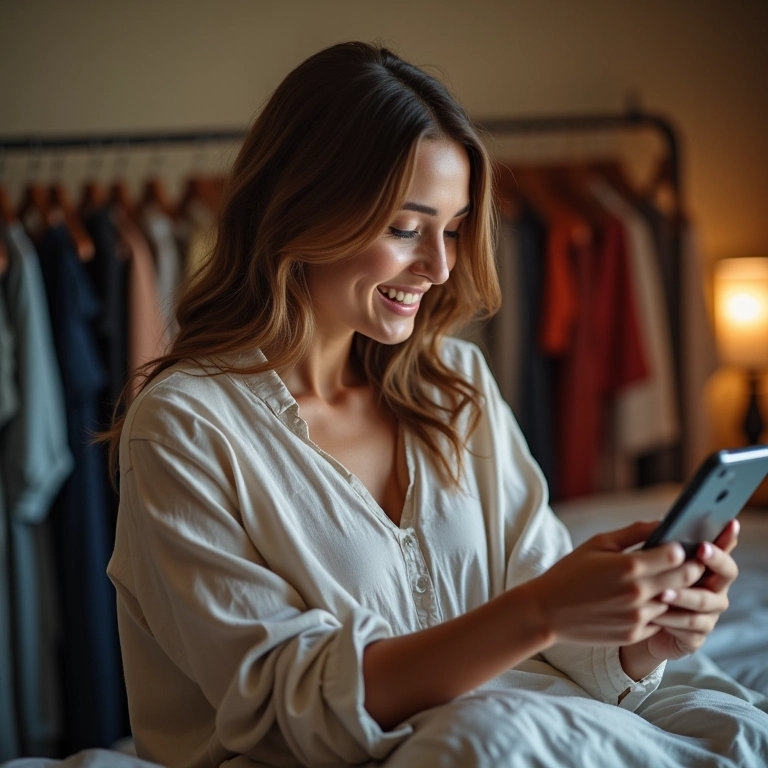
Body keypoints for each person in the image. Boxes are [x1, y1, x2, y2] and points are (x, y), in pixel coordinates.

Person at [104, 41, 768, 768]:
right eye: (404, 227)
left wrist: (641, 638)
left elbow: (544, 601)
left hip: (503, 731)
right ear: (303, 207)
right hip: (413, 748)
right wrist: (541, 610)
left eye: (452, 229)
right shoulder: (184, 428)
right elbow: (283, 704)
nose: (441, 266)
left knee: (737, 725)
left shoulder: (455, 383)